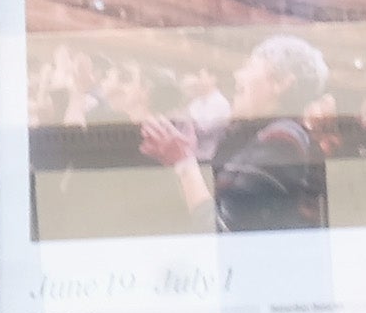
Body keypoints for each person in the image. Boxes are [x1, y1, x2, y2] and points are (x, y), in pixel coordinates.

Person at [138, 31, 331, 233]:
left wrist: (184, 162)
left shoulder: (282, 140)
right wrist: (181, 158)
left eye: (250, 66)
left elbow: (224, 232)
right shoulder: (270, 136)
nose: (237, 75)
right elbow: (215, 207)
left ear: (281, 84)